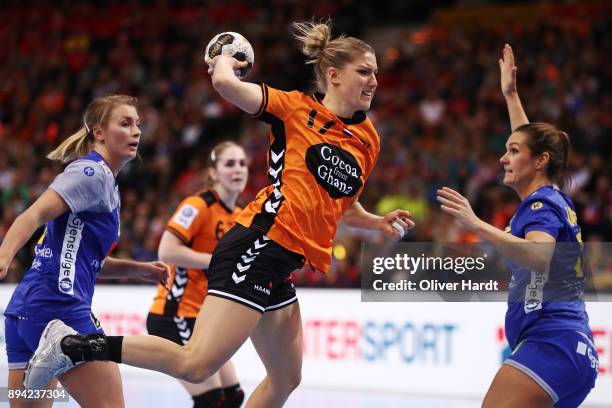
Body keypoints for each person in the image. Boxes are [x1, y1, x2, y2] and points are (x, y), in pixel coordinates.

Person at [23, 21, 415, 407]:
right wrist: (224, 57)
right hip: (260, 243)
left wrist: (375, 222)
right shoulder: (295, 108)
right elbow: (226, 85)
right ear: (333, 75)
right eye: (364, 71)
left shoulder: (368, 139)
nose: (374, 80)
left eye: (376, 73)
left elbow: (341, 204)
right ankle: (71, 346)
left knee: (286, 378)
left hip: (285, 261)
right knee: (196, 363)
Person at [436, 44, 598, 407]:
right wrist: (510, 95)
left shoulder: (540, 205)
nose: (502, 158)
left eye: (512, 152)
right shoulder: (551, 197)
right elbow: (530, 142)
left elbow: (539, 256)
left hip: (551, 344)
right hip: (569, 350)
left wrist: (474, 223)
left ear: (540, 162)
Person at [0, 95, 170, 407]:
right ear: (98, 132)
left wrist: (137, 269)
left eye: (138, 125)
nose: (136, 132)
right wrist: (4, 255)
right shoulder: (91, 173)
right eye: (125, 123)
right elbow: (34, 215)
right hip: (59, 315)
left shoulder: (106, 182)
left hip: (25, 314)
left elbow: (85, 259)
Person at [147, 141, 248, 408]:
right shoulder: (198, 205)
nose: (238, 169)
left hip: (203, 319)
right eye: (229, 164)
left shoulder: (240, 216)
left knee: (233, 397)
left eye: (242, 163)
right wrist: (217, 261)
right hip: (174, 315)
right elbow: (166, 250)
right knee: (213, 401)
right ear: (213, 173)